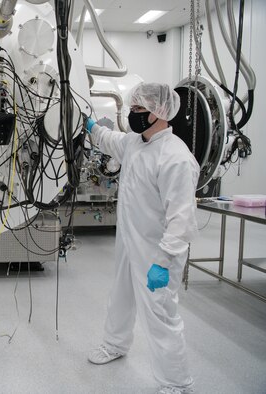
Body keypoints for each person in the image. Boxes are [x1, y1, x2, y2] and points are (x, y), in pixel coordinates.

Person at [85, 83, 199, 394]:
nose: (133, 114)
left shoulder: (176, 158)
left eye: (139, 109)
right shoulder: (136, 143)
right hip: (129, 242)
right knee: (120, 298)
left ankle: (176, 381)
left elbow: (182, 220)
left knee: (160, 314)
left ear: (159, 112)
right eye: (133, 108)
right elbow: (110, 140)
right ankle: (115, 344)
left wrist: (163, 262)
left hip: (158, 253)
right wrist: (90, 125)